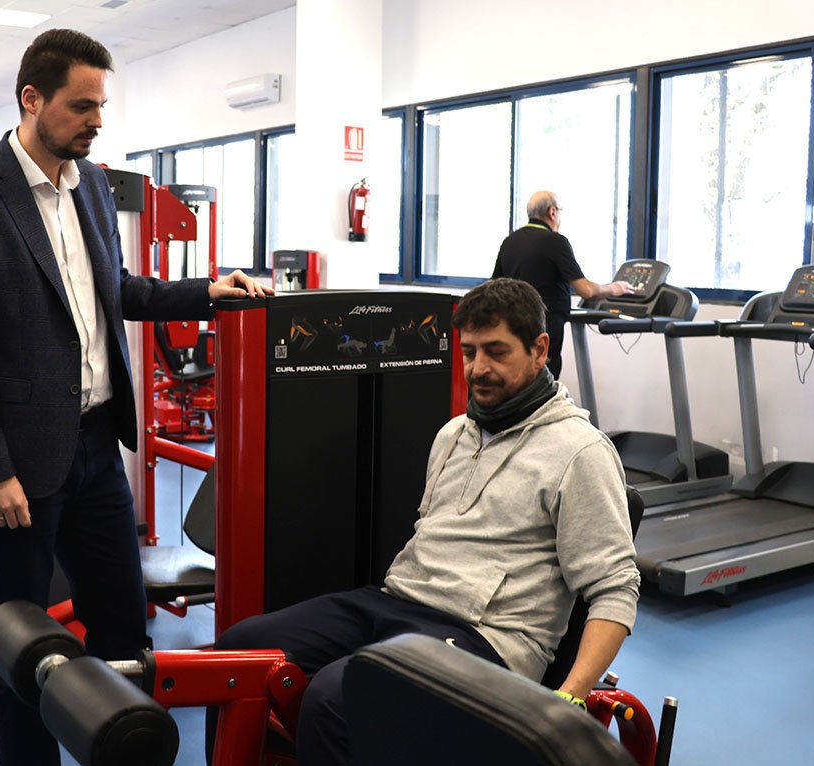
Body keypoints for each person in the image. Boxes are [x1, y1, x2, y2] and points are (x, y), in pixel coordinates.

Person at [0, 29, 271, 766]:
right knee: (19, 638)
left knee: (123, 625)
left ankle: (126, 750)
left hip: (96, 445)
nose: (96, 120)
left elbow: (115, 293)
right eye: (82, 106)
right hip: (20, 462)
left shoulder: (87, 190)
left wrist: (208, 291)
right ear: (32, 99)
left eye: (101, 105)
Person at [207, 278, 639, 765]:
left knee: (334, 699)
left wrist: (572, 696)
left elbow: (615, 588)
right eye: (469, 352)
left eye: (496, 352)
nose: (478, 369)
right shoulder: (454, 433)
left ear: (541, 349)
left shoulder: (580, 453)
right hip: (396, 602)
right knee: (234, 654)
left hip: (485, 637)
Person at [492, 190, 634, 378]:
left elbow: (494, 287)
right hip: (544, 328)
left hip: (513, 328)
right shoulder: (555, 242)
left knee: (518, 380)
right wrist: (614, 289)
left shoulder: (510, 241)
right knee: (543, 382)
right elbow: (586, 290)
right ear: (552, 212)